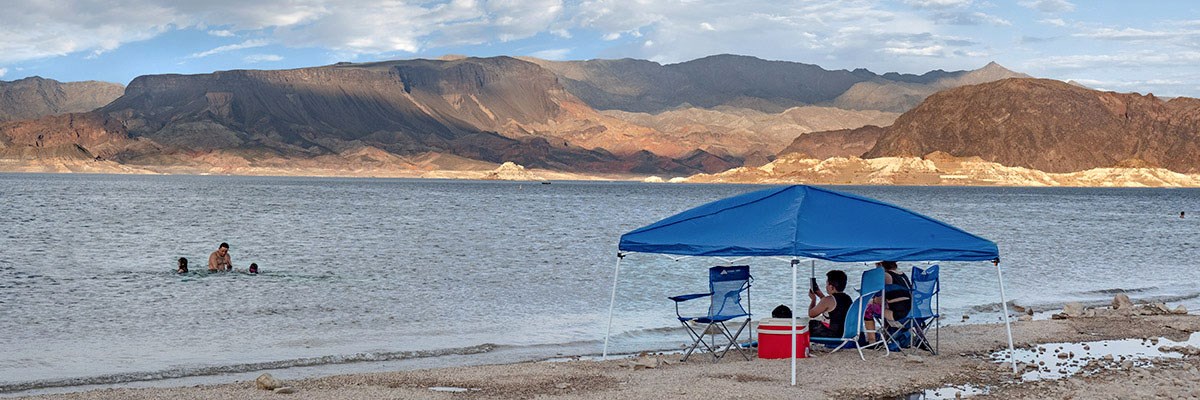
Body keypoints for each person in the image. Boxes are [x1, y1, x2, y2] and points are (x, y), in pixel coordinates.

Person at [807, 270, 851, 338]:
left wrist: (813, 299)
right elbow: (832, 306)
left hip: (832, 334)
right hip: (845, 332)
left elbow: (811, 314)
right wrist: (821, 295)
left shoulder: (828, 300)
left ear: (831, 287)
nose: (826, 286)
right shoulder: (848, 298)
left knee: (809, 324)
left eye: (827, 284)